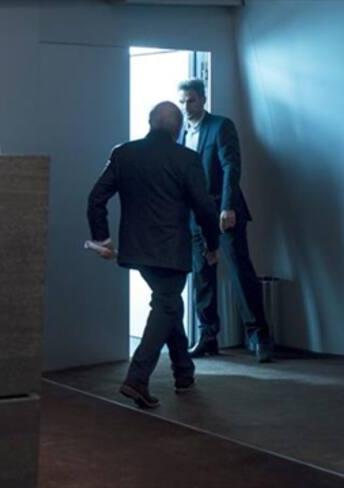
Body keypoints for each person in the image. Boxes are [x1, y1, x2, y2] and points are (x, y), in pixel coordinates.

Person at [87, 101, 219, 408]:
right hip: (171, 250)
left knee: (169, 304)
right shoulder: (186, 158)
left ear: (149, 122)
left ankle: (183, 372)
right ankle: (137, 378)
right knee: (166, 303)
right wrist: (212, 244)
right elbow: (204, 207)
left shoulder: (124, 153)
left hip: (136, 249)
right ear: (178, 129)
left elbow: (96, 198)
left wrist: (102, 238)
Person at [177, 79, 272, 362]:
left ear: (203, 99)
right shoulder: (180, 133)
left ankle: (259, 337)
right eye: (182, 101)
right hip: (196, 216)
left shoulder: (220, 126)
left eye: (191, 100)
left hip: (223, 210)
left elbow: (231, 166)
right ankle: (208, 337)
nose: (186, 106)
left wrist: (228, 206)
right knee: (202, 276)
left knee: (240, 272)